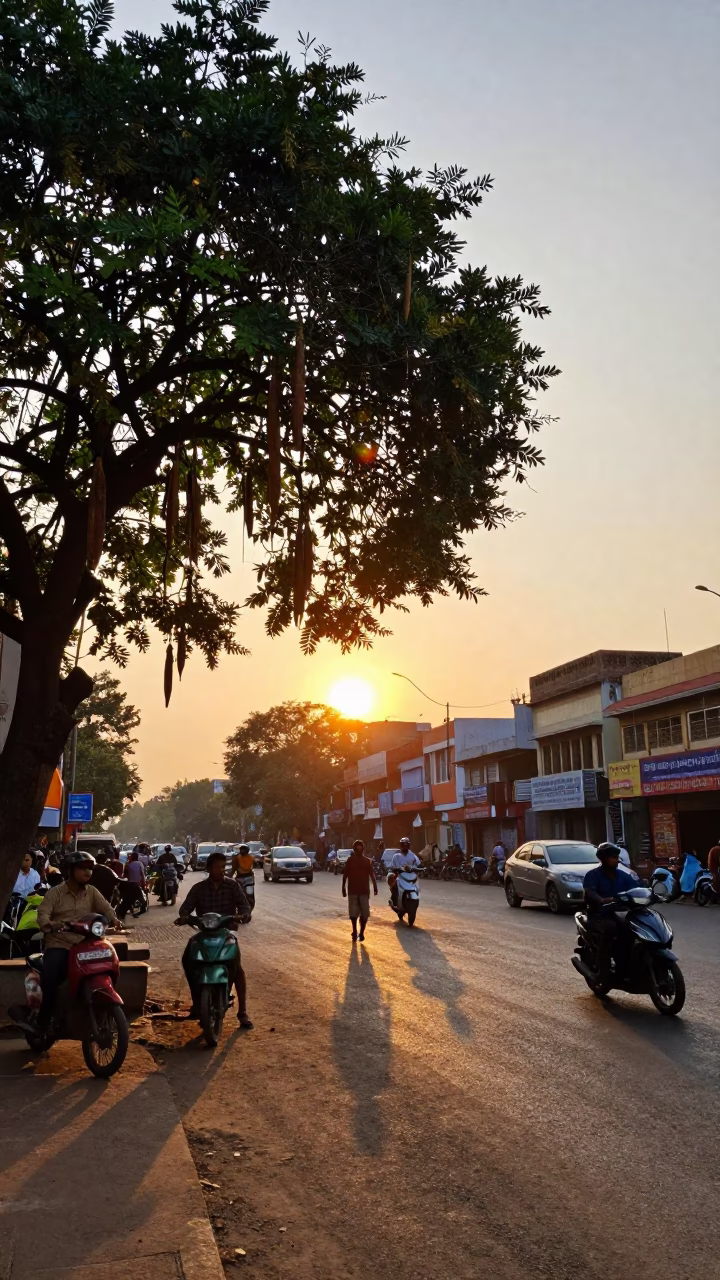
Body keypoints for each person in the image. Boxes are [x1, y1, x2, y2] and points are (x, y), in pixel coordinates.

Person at [35, 851, 121, 1030]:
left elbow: (106, 908)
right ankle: (44, 1020)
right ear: (69, 870)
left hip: (85, 945)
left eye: (90, 869)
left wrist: (114, 920)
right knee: (51, 979)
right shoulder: (55, 893)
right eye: (82, 868)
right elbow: (43, 913)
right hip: (60, 944)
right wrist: (48, 924)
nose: (87, 872)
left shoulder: (92, 891)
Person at [177, 851, 253, 1027]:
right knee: (187, 958)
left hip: (226, 932)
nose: (221, 870)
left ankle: (242, 1012)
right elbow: (185, 908)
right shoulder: (198, 888)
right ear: (209, 868)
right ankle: (197, 1001)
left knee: (237, 968)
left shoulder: (233, 886)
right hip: (204, 934)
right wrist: (184, 917)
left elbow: (244, 906)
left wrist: (244, 915)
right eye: (218, 867)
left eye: (223, 867)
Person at [583, 842, 638, 990]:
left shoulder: (623, 876)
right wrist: (601, 900)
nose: (615, 860)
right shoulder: (592, 875)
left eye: (616, 857)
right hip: (600, 915)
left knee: (634, 930)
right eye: (612, 857)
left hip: (623, 913)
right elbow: (590, 892)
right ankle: (604, 970)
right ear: (603, 858)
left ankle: (629, 966)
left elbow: (636, 887)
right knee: (611, 929)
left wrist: (650, 893)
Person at [342, 839, 378, 941]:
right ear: (354, 849)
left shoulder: (367, 861)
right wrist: (343, 887)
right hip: (353, 891)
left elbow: (372, 875)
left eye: (360, 848)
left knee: (365, 915)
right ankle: (354, 931)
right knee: (353, 915)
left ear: (363, 849)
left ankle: (361, 932)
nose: (359, 850)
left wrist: (375, 886)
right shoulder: (350, 861)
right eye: (357, 849)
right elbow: (345, 875)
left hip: (364, 892)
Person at [390, 838, 421, 908]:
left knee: (416, 886)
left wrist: (420, 868)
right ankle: (394, 901)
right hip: (400, 876)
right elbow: (392, 866)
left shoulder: (412, 855)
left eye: (406, 845)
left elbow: (418, 864)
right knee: (394, 886)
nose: (405, 847)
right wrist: (396, 869)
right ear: (401, 846)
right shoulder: (396, 856)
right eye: (403, 845)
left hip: (411, 876)